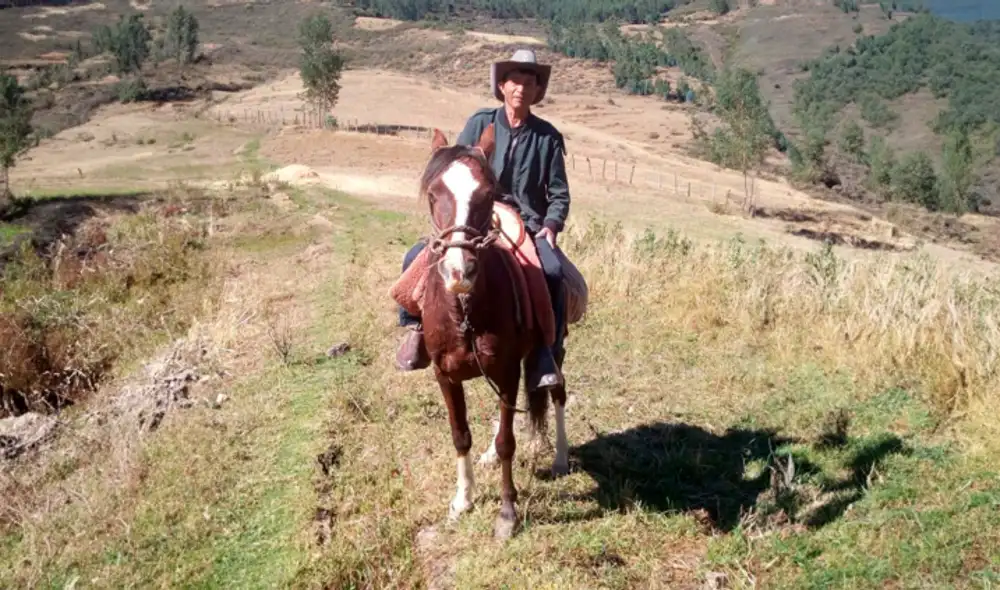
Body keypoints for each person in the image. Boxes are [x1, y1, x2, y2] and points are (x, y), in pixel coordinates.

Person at [394, 48, 571, 393]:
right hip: (477, 215)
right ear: (502, 86)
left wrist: (551, 225)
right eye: (515, 81)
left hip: (526, 223)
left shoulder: (548, 137)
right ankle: (416, 329)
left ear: (537, 90)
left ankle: (545, 352)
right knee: (414, 256)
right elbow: (457, 170)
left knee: (551, 271)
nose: (521, 88)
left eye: (529, 82)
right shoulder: (479, 123)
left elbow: (559, 193)